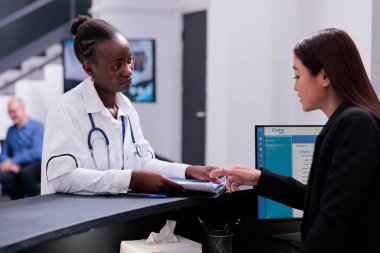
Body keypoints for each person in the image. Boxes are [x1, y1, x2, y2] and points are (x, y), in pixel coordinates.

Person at [210, 28, 380, 252]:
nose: (295, 86)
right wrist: (260, 178)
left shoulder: (356, 124)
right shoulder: (347, 122)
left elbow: (333, 221)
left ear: (325, 75)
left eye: (298, 76)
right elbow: (317, 199)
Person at [41, 15, 219, 195]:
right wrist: (131, 180)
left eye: (128, 60)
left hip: (115, 217)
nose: (128, 71)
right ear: (89, 69)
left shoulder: (125, 107)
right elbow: (61, 178)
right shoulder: (67, 109)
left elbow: (143, 162)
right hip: (79, 220)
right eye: (116, 66)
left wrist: (188, 171)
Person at [0, 97, 44, 199]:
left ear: (22, 108)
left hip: (34, 163)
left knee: (25, 173)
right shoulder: (10, 130)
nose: (12, 115)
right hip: (16, 165)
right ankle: (19, 203)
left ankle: (36, 203)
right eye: (9, 112)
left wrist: (13, 161)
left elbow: (37, 152)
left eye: (14, 111)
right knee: (6, 177)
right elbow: (4, 153)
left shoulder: (37, 127)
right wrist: (8, 165)